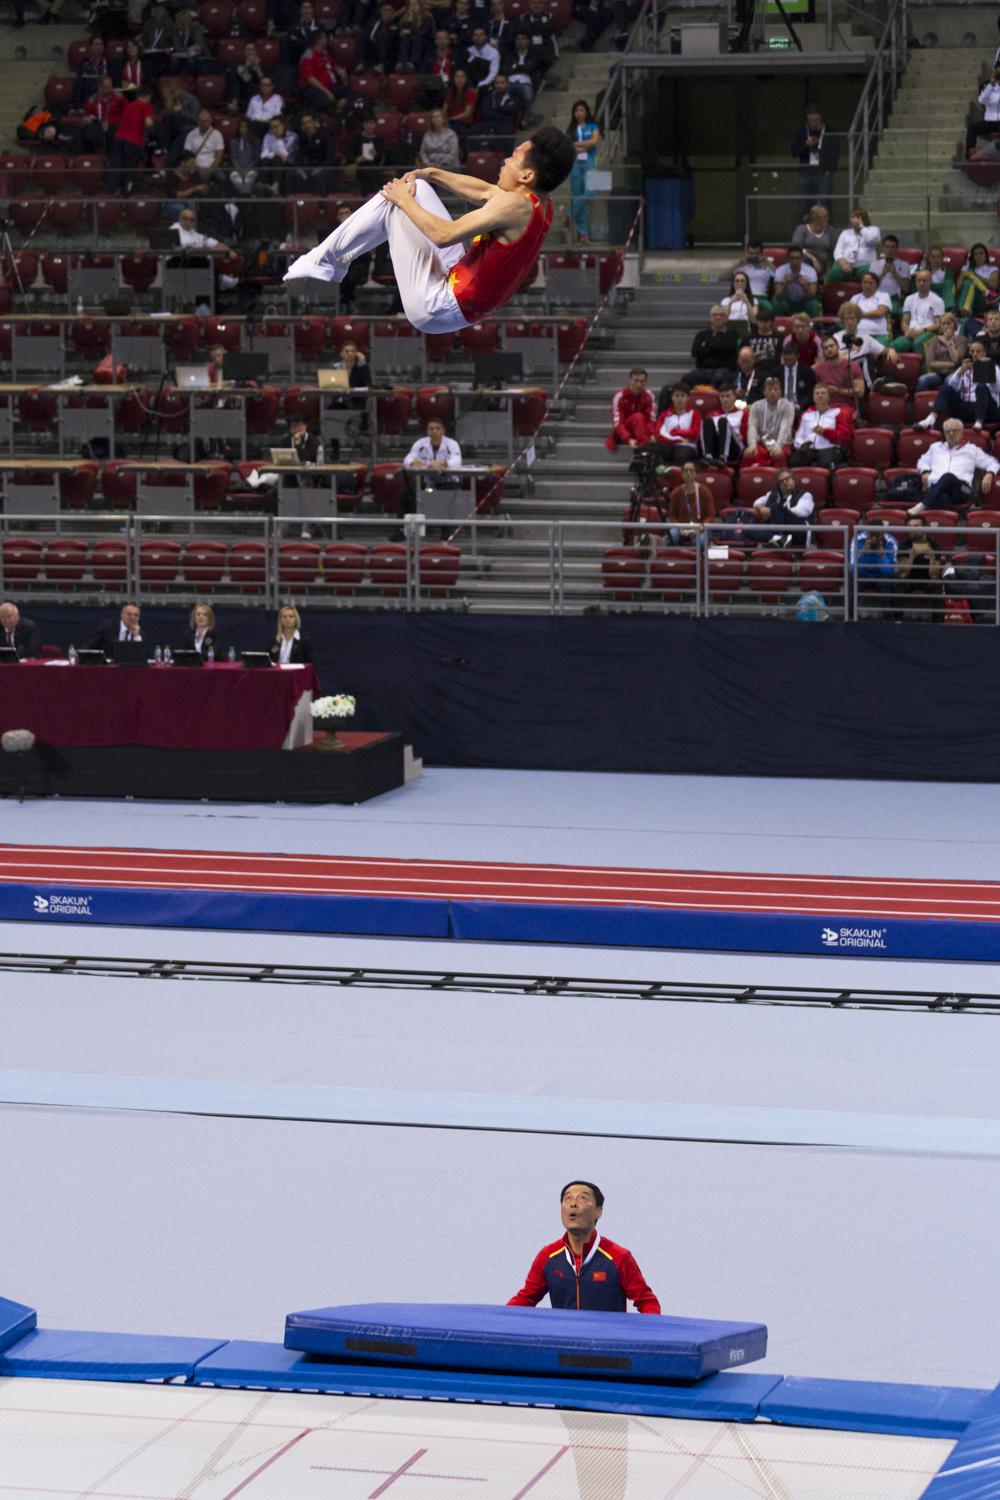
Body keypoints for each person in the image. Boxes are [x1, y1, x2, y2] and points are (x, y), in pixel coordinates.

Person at [285, 129, 576, 335]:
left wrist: (404, 199)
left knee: (397, 203)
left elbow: (442, 235)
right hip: (461, 289)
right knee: (419, 186)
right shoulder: (541, 202)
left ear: (527, 176)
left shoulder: (514, 205)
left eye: (513, 158)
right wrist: (430, 173)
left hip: (438, 307)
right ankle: (332, 259)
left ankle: (324, 259)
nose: (504, 161)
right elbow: (483, 191)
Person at [508, 1180, 660, 1314]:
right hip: (566, 1343)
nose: (573, 1203)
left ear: (598, 1211)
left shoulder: (619, 1257)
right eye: (567, 1199)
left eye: (582, 1198)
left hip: (605, 1344)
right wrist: (497, 1320)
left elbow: (647, 1302)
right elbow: (526, 1299)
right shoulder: (548, 1256)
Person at [911, 415, 999, 514]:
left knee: (948, 477)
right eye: (948, 431)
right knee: (944, 497)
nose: (951, 434)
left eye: (954, 430)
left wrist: (989, 474)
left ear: (961, 432)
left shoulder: (972, 449)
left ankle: (923, 505)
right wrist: (925, 472)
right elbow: (922, 461)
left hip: (961, 489)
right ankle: (945, 527)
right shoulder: (935, 448)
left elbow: (993, 463)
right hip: (936, 488)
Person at [916, 338, 1000, 431]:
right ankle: (930, 419)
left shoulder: (993, 367)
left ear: (984, 353)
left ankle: (979, 423)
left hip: (988, 411)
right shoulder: (964, 367)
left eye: (978, 351)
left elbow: (998, 389)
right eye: (972, 351)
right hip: (966, 409)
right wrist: (960, 372)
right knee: (945, 388)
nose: (975, 354)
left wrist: (989, 370)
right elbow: (951, 386)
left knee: (981, 387)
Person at [788, 382, 852, 470]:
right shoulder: (806, 414)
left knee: (826, 463)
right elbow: (799, 435)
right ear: (813, 397)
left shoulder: (837, 412)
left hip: (829, 448)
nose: (820, 395)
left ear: (829, 397)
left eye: (823, 393)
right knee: (794, 461)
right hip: (809, 449)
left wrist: (825, 432)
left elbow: (844, 435)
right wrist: (800, 445)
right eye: (817, 393)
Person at [791, 105, 839, 218]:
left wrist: (829, 171)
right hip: (805, 173)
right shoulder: (802, 132)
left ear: (821, 117)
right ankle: (804, 231)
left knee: (823, 205)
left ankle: (824, 232)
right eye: (811, 120)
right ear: (807, 118)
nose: (814, 123)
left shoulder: (829, 131)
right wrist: (806, 145)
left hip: (823, 173)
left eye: (816, 120)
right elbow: (794, 152)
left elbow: (836, 152)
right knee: (803, 205)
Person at [104, 85, 153, 195]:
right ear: (148, 96)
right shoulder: (146, 105)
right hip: (133, 142)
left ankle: (109, 198)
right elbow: (149, 123)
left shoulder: (128, 106)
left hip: (119, 140)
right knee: (129, 173)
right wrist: (150, 131)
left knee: (115, 170)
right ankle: (127, 196)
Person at [752, 466, 815, 547]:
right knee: (747, 530)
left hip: (797, 530)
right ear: (778, 485)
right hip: (775, 530)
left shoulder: (805, 495)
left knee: (775, 507)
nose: (785, 482)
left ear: (794, 480)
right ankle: (777, 539)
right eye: (781, 481)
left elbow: (802, 511)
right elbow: (757, 502)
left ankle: (775, 539)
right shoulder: (773, 494)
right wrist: (762, 508)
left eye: (787, 479)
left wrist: (776, 512)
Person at [680, 305, 739, 391]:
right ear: (710, 317)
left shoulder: (732, 334)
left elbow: (729, 348)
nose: (718, 317)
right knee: (686, 378)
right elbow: (695, 352)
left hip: (723, 369)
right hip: (703, 369)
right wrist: (720, 346)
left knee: (719, 378)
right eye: (715, 315)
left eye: (721, 315)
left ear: (726, 318)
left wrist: (707, 345)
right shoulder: (702, 334)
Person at [566, 99, 599, 244]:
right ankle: (583, 234)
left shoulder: (593, 126)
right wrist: (582, 145)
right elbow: (568, 146)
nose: (579, 113)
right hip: (574, 163)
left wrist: (576, 144)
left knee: (591, 192)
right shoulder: (571, 129)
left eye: (582, 110)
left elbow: (593, 142)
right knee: (578, 195)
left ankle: (566, 211)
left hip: (589, 162)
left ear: (587, 111)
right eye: (576, 111)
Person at [641, 385, 700, 463]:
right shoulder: (664, 414)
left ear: (687, 398)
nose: (679, 398)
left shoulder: (695, 414)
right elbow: (659, 435)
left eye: (682, 396)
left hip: (687, 446)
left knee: (682, 455)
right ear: (672, 397)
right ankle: (662, 470)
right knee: (647, 447)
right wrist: (680, 439)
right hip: (667, 445)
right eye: (677, 396)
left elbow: (694, 433)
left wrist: (673, 432)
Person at [745, 376, 795, 468]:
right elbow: (752, 426)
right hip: (762, 441)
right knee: (751, 454)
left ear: (780, 392)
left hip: (782, 442)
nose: (772, 392)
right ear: (764, 392)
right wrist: (752, 445)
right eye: (769, 389)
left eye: (775, 389)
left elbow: (785, 427)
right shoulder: (756, 406)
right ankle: (754, 480)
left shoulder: (788, 406)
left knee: (778, 455)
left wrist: (778, 446)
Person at [892, 267, 945, 355]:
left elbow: (939, 324)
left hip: (929, 332)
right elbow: (905, 321)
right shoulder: (909, 299)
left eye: (924, 281)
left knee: (919, 344)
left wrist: (922, 331)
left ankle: (927, 369)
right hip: (912, 332)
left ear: (930, 281)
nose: (921, 283)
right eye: (919, 280)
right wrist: (907, 332)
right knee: (895, 345)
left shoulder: (937, 300)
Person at [298, 30, 349, 117]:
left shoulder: (324, 53)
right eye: (324, 38)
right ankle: (311, 117)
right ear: (319, 41)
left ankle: (336, 114)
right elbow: (310, 79)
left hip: (328, 86)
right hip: (310, 87)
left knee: (347, 92)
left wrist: (340, 72)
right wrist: (327, 92)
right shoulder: (308, 56)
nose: (326, 39)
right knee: (323, 100)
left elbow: (333, 65)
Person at [664, 458, 715, 544]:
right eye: (685, 471)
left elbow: (711, 514)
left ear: (696, 474)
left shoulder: (705, 491)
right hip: (682, 527)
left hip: (700, 527)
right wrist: (679, 527)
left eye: (691, 470)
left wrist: (702, 527)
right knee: (669, 538)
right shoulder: (676, 492)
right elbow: (672, 516)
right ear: (682, 474)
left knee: (701, 542)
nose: (688, 473)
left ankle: (698, 557)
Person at [720, 240, 775, 316]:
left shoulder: (767, 267)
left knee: (769, 308)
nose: (754, 256)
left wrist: (769, 264)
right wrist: (738, 264)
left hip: (761, 299)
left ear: (761, 254)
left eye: (757, 254)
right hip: (742, 296)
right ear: (747, 254)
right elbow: (721, 277)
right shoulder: (741, 266)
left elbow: (781, 276)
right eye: (751, 254)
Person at [699, 383, 747, 467]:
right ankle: (708, 456)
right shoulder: (712, 414)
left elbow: (743, 437)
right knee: (707, 421)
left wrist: (724, 432)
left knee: (723, 422)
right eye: (722, 396)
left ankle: (723, 457)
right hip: (716, 445)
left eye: (728, 396)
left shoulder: (743, 413)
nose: (725, 399)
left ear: (734, 397)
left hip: (734, 448)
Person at [606, 365, 653, 451]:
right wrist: (629, 439)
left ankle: (644, 447)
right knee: (638, 417)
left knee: (640, 418)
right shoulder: (620, 396)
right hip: (625, 431)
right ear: (630, 380)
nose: (638, 384)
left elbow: (651, 420)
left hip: (643, 431)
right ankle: (644, 449)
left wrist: (652, 434)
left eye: (642, 381)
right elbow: (618, 423)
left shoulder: (648, 395)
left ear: (645, 382)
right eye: (635, 381)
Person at [918, 311, 967, 391]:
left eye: (949, 323)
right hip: (938, 373)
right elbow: (929, 363)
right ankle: (923, 402)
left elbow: (956, 360)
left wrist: (949, 342)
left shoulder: (962, 340)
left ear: (954, 325)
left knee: (949, 380)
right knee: (922, 380)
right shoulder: (934, 340)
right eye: (943, 324)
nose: (946, 326)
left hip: (954, 373)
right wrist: (951, 364)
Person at [828, 206, 880, 283]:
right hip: (847, 264)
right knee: (833, 272)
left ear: (861, 219)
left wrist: (861, 227)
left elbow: (871, 239)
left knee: (872, 273)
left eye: (853, 217)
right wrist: (844, 265)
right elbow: (837, 251)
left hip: (865, 265)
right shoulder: (845, 232)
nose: (850, 220)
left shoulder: (873, 229)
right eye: (851, 217)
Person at [292, 113, 336, 196]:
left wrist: (321, 167)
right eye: (304, 123)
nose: (307, 125)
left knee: (318, 176)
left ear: (314, 123)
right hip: (308, 168)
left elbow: (330, 156)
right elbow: (299, 156)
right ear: (302, 127)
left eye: (309, 122)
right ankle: (292, 201)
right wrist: (298, 168)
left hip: (324, 168)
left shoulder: (324, 136)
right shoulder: (302, 139)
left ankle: (320, 204)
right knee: (292, 174)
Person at [814, 334, 865, 404]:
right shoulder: (820, 369)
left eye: (831, 346)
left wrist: (838, 391)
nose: (829, 349)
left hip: (847, 407)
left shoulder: (853, 366)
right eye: (826, 348)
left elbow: (860, 392)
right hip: (826, 407)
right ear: (823, 352)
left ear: (838, 347)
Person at [955, 243, 999, 320]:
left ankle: (966, 308)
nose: (978, 256)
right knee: (969, 282)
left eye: (981, 253)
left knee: (971, 276)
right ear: (972, 257)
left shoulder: (992, 269)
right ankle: (966, 308)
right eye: (975, 254)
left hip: (985, 300)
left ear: (986, 255)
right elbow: (958, 287)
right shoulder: (965, 268)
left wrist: (976, 276)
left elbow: (993, 285)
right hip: (968, 298)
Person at [771, 247, 820, 318]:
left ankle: (814, 326)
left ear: (802, 259)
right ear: (788, 259)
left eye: (797, 258)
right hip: (787, 301)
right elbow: (778, 295)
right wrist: (785, 285)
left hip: (804, 301)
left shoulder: (810, 271)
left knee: (814, 304)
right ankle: (779, 326)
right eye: (792, 258)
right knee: (777, 303)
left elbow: (812, 296)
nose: (795, 261)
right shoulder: (780, 271)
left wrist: (804, 286)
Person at [791, 204, 837, 279]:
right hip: (806, 261)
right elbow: (797, 248)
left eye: (827, 216)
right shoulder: (802, 229)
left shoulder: (830, 230)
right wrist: (813, 259)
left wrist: (827, 273)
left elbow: (831, 253)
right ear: (816, 218)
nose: (827, 219)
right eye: (824, 217)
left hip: (822, 264)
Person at [848, 271, 891, 340]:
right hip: (858, 334)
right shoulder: (855, 298)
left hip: (879, 334)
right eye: (865, 282)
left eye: (870, 283)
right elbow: (849, 315)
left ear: (876, 285)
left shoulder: (883, 296)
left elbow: (879, 313)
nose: (867, 285)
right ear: (861, 284)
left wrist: (859, 314)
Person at [968, 65, 1000, 157]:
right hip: (990, 121)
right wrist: (992, 85)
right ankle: (969, 161)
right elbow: (983, 101)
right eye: (998, 73)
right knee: (972, 128)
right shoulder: (987, 86)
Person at [260, 116, 298, 193]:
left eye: (277, 127)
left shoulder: (292, 136)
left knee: (277, 159)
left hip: (287, 164)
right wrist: (276, 154)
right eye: (272, 128)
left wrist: (278, 139)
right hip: (271, 163)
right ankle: (261, 185)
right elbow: (263, 155)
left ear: (283, 126)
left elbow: (285, 156)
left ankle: (276, 186)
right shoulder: (268, 136)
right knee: (265, 160)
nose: (274, 130)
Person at [777, 340, 815, 407]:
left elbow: (810, 395)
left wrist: (799, 406)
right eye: (785, 359)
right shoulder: (777, 372)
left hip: (800, 407)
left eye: (791, 359)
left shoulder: (807, 371)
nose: (788, 363)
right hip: (780, 406)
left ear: (797, 356)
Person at [229, 118, 260, 195]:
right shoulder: (234, 141)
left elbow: (256, 158)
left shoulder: (255, 141)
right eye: (241, 127)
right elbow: (234, 158)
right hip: (237, 170)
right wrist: (239, 170)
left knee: (248, 180)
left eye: (245, 127)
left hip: (251, 169)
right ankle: (246, 197)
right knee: (237, 180)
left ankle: (244, 198)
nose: (243, 129)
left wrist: (247, 170)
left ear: (249, 128)